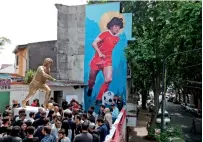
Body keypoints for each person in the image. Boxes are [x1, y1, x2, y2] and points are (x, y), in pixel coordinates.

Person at [86, 17, 124, 105]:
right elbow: (94, 43)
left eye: (119, 27)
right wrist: (99, 53)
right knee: (91, 81)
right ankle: (90, 88)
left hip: (107, 61)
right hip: (97, 60)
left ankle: (99, 98)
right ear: (111, 26)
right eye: (115, 26)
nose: (117, 28)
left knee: (109, 79)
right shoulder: (105, 34)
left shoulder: (117, 39)